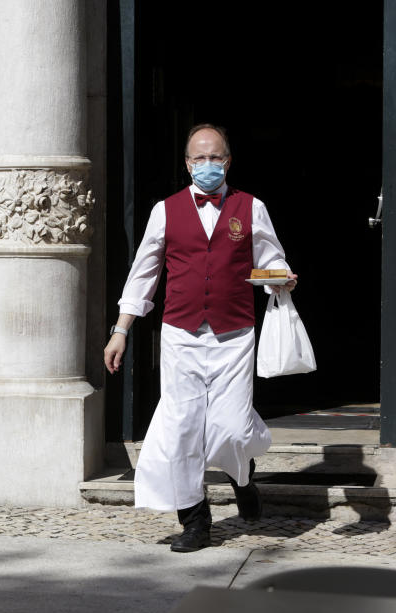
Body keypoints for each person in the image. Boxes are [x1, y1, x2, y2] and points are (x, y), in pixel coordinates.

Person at [103, 124, 298, 553]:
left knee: (230, 426)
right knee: (183, 429)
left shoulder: (252, 207)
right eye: (198, 158)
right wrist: (121, 330)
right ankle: (195, 520)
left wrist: (280, 276)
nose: (207, 165)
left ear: (227, 161)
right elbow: (143, 274)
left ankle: (241, 471)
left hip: (234, 332)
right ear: (187, 163)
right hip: (180, 334)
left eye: (215, 158)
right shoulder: (165, 210)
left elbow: (270, 256)